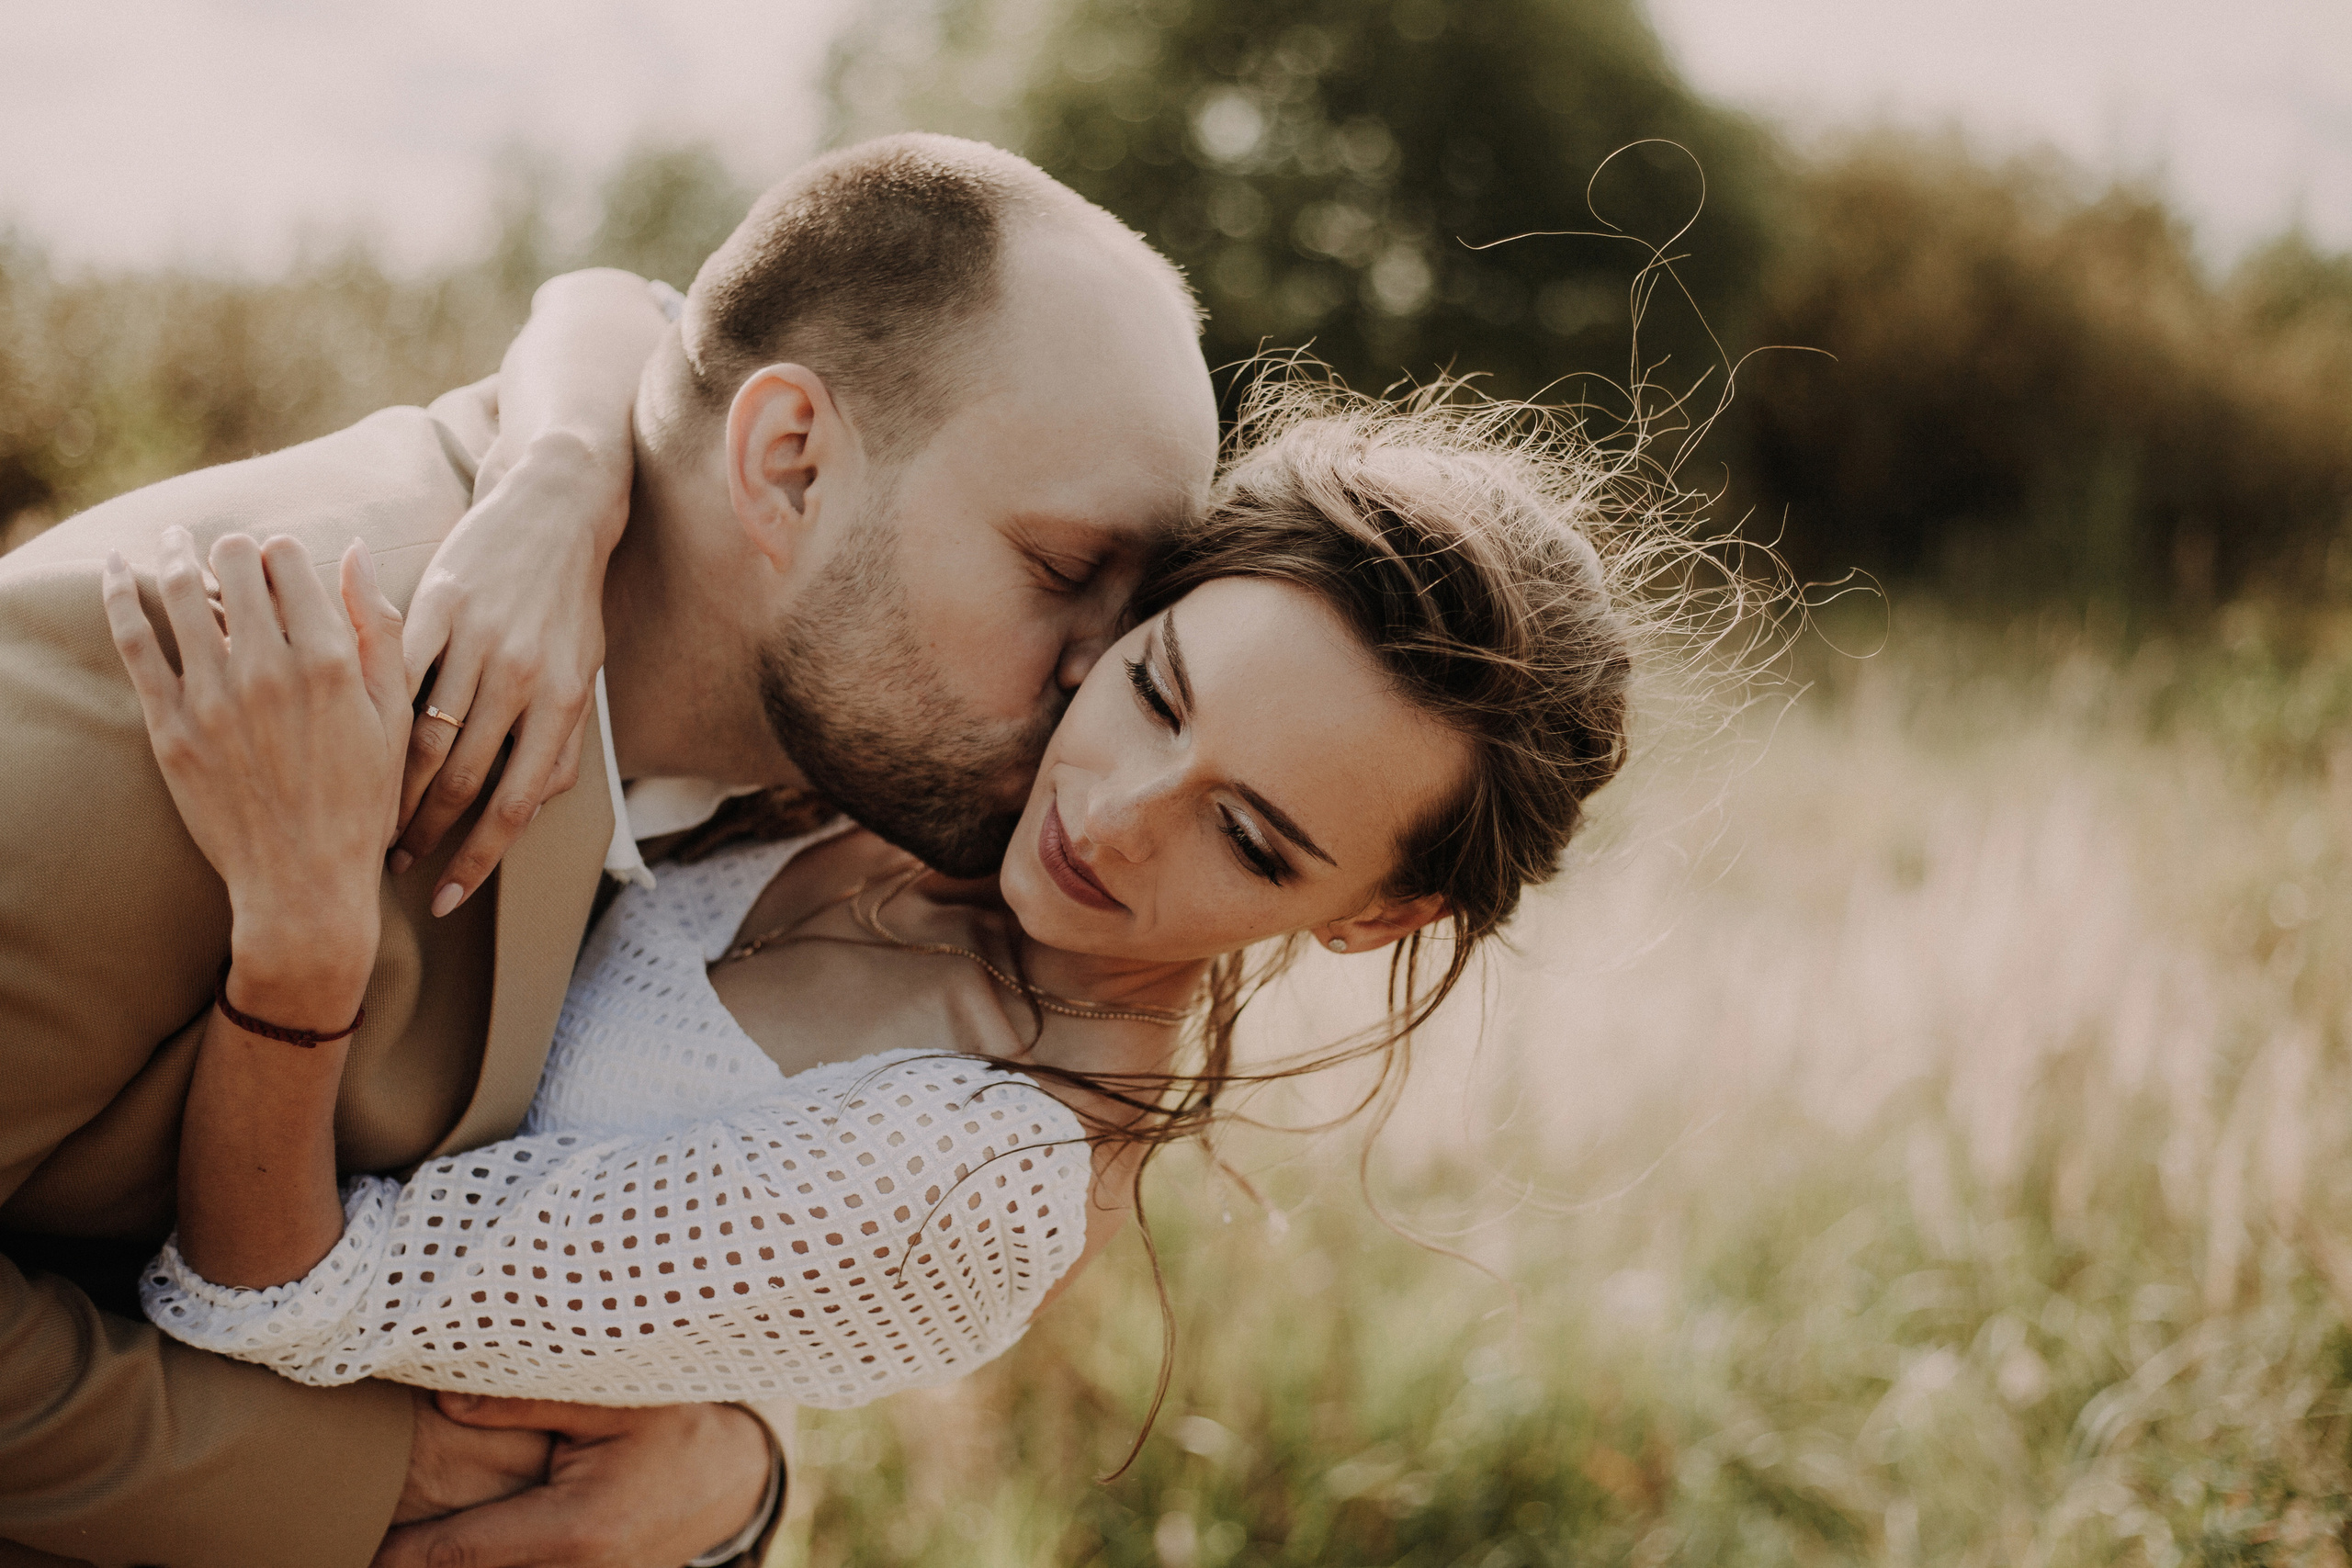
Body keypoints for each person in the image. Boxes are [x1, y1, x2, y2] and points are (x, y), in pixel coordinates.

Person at [0, 133, 1216, 1568]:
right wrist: (382, 1476)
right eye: (1066, 572)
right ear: (790, 463)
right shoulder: (235, 696)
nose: (1106, 682)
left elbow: (647, 315)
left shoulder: (825, 799)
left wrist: (735, 1472)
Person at [118, 378, 1643, 1436]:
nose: (1109, 814)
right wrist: (564, 477)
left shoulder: (969, 1175)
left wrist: (302, 933)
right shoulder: (956, 766)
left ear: (1375, 917)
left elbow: (275, 1298)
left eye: (1247, 839)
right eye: (1156, 691)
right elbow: (666, 317)